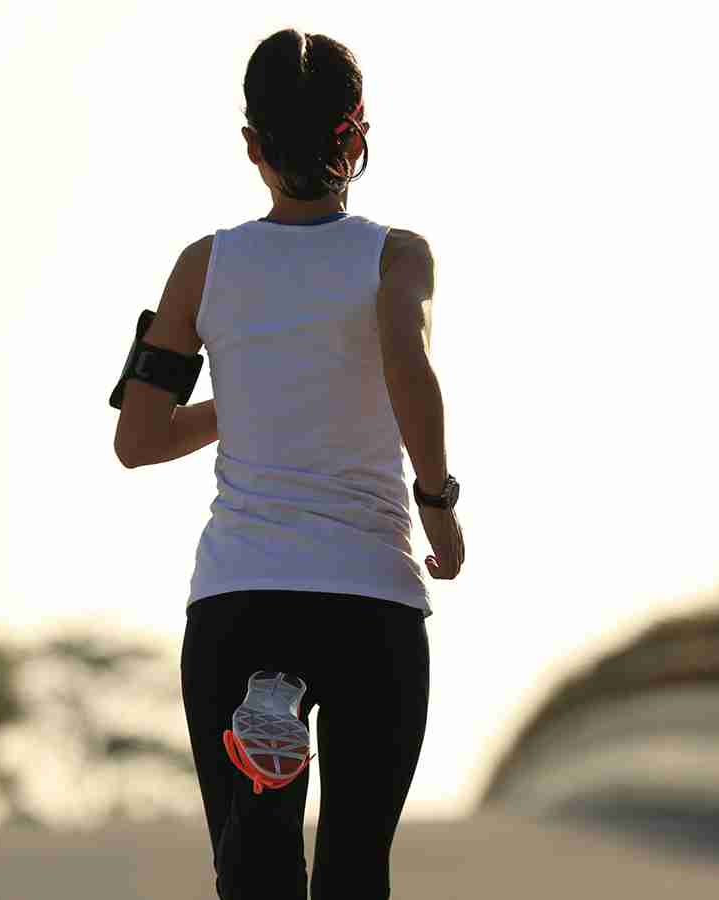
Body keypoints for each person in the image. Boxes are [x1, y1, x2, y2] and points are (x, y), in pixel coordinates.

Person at [111, 27, 464, 900]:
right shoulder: (397, 256)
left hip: (243, 597)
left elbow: (139, 440)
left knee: (256, 875)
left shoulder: (205, 266)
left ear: (251, 147)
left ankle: (268, 728)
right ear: (360, 137)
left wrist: (253, 397)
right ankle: (274, 733)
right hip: (370, 601)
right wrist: (439, 502)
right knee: (354, 870)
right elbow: (406, 364)